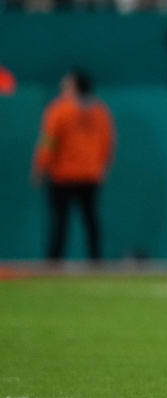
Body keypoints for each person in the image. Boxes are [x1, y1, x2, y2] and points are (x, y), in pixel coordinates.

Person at [32, 70, 115, 262]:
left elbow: (49, 140)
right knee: (91, 220)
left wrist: (40, 166)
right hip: (90, 174)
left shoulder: (59, 109)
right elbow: (108, 143)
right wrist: (102, 166)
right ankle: (96, 260)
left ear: (75, 87)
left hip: (64, 174)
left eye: (66, 85)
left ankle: (54, 262)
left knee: (61, 221)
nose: (62, 89)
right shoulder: (100, 111)